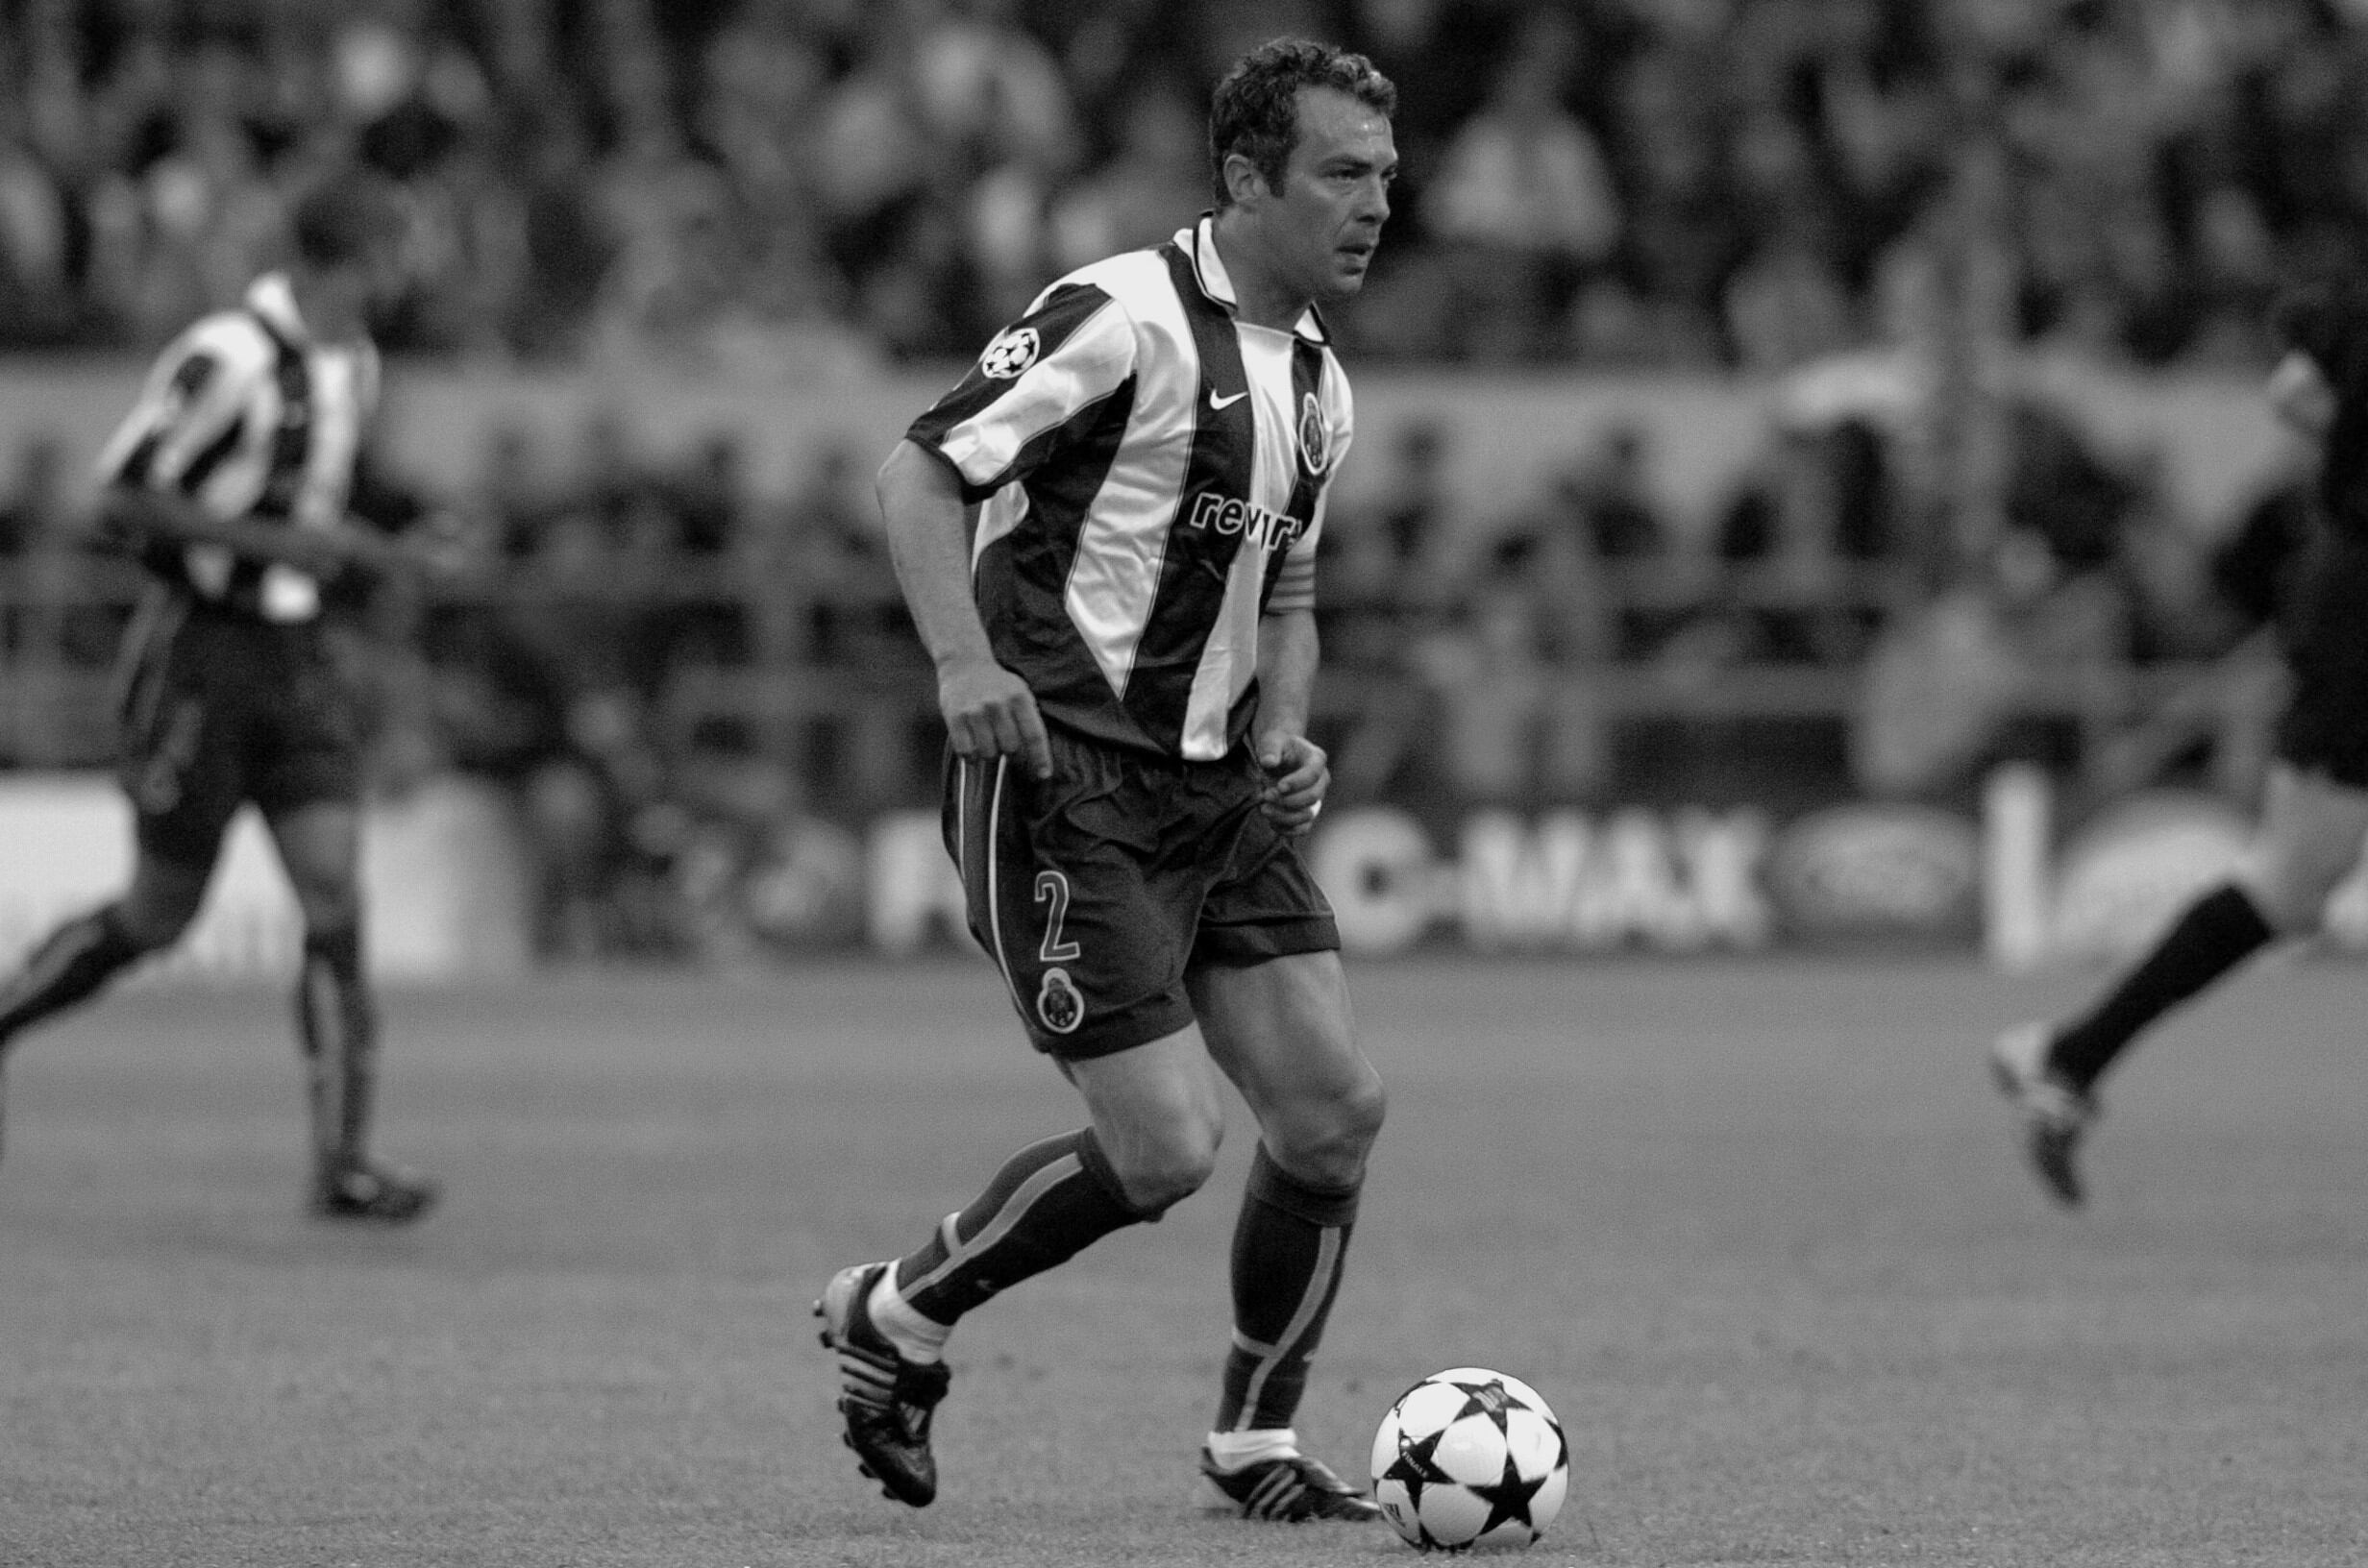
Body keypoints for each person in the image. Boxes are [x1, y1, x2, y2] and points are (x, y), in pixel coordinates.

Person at [815, 37, 1396, 1521]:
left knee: (1330, 1113)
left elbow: (1289, 595)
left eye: (1386, 174)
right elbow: (920, 471)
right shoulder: (1121, 315)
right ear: (1246, 179)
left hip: (1218, 796)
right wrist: (960, 666)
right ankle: (900, 1313)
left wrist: (1288, 728)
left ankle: (1255, 1442)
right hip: (1063, 778)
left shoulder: (1322, 382)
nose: (1376, 202)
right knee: (1168, 1148)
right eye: (1343, 172)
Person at [0, 178, 442, 1223]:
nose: (407, 272)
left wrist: (390, 541)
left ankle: (344, 1160)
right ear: (354, 257)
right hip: (199, 654)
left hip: (296, 654)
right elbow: (126, 494)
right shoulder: (230, 356)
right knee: (160, 915)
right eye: (396, 249)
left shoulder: (356, 365)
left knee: (333, 893)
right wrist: (279, 545)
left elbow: (315, 501)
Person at [1991, 280, 2368, 1208]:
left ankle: (2071, 1055)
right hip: (2361, 606)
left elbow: (2295, 388)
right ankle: (2069, 1055)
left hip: (2345, 592)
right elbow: (2298, 384)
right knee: (2289, 884)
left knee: (2291, 890)